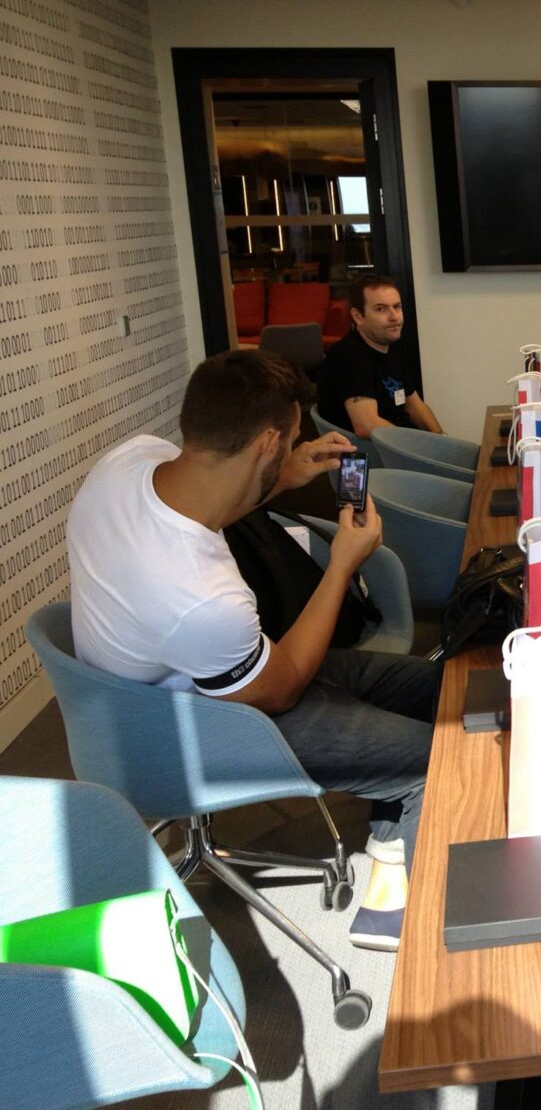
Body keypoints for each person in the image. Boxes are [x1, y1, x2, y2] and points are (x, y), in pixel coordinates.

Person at [68, 349, 438, 952]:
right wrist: (342, 565)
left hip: (140, 701)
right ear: (267, 441)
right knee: (435, 759)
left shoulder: (130, 460)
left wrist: (283, 475)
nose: (292, 447)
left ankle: (390, 829)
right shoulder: (200, 597)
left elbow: (215, 500)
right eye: (288, 441)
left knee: (433, 688)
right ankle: (405, 925)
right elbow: (283, 685)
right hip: (199, 727)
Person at [316, 274, 445, 438]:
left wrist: (441, 439)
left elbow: (415, 406)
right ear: (358, 316)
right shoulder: (348, 356)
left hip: (404, 443)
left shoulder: (391, 347)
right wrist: (417, 447)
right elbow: (367, 425)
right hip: (377, 451)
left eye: (397, 307)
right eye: (381, 309)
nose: (394, 317)